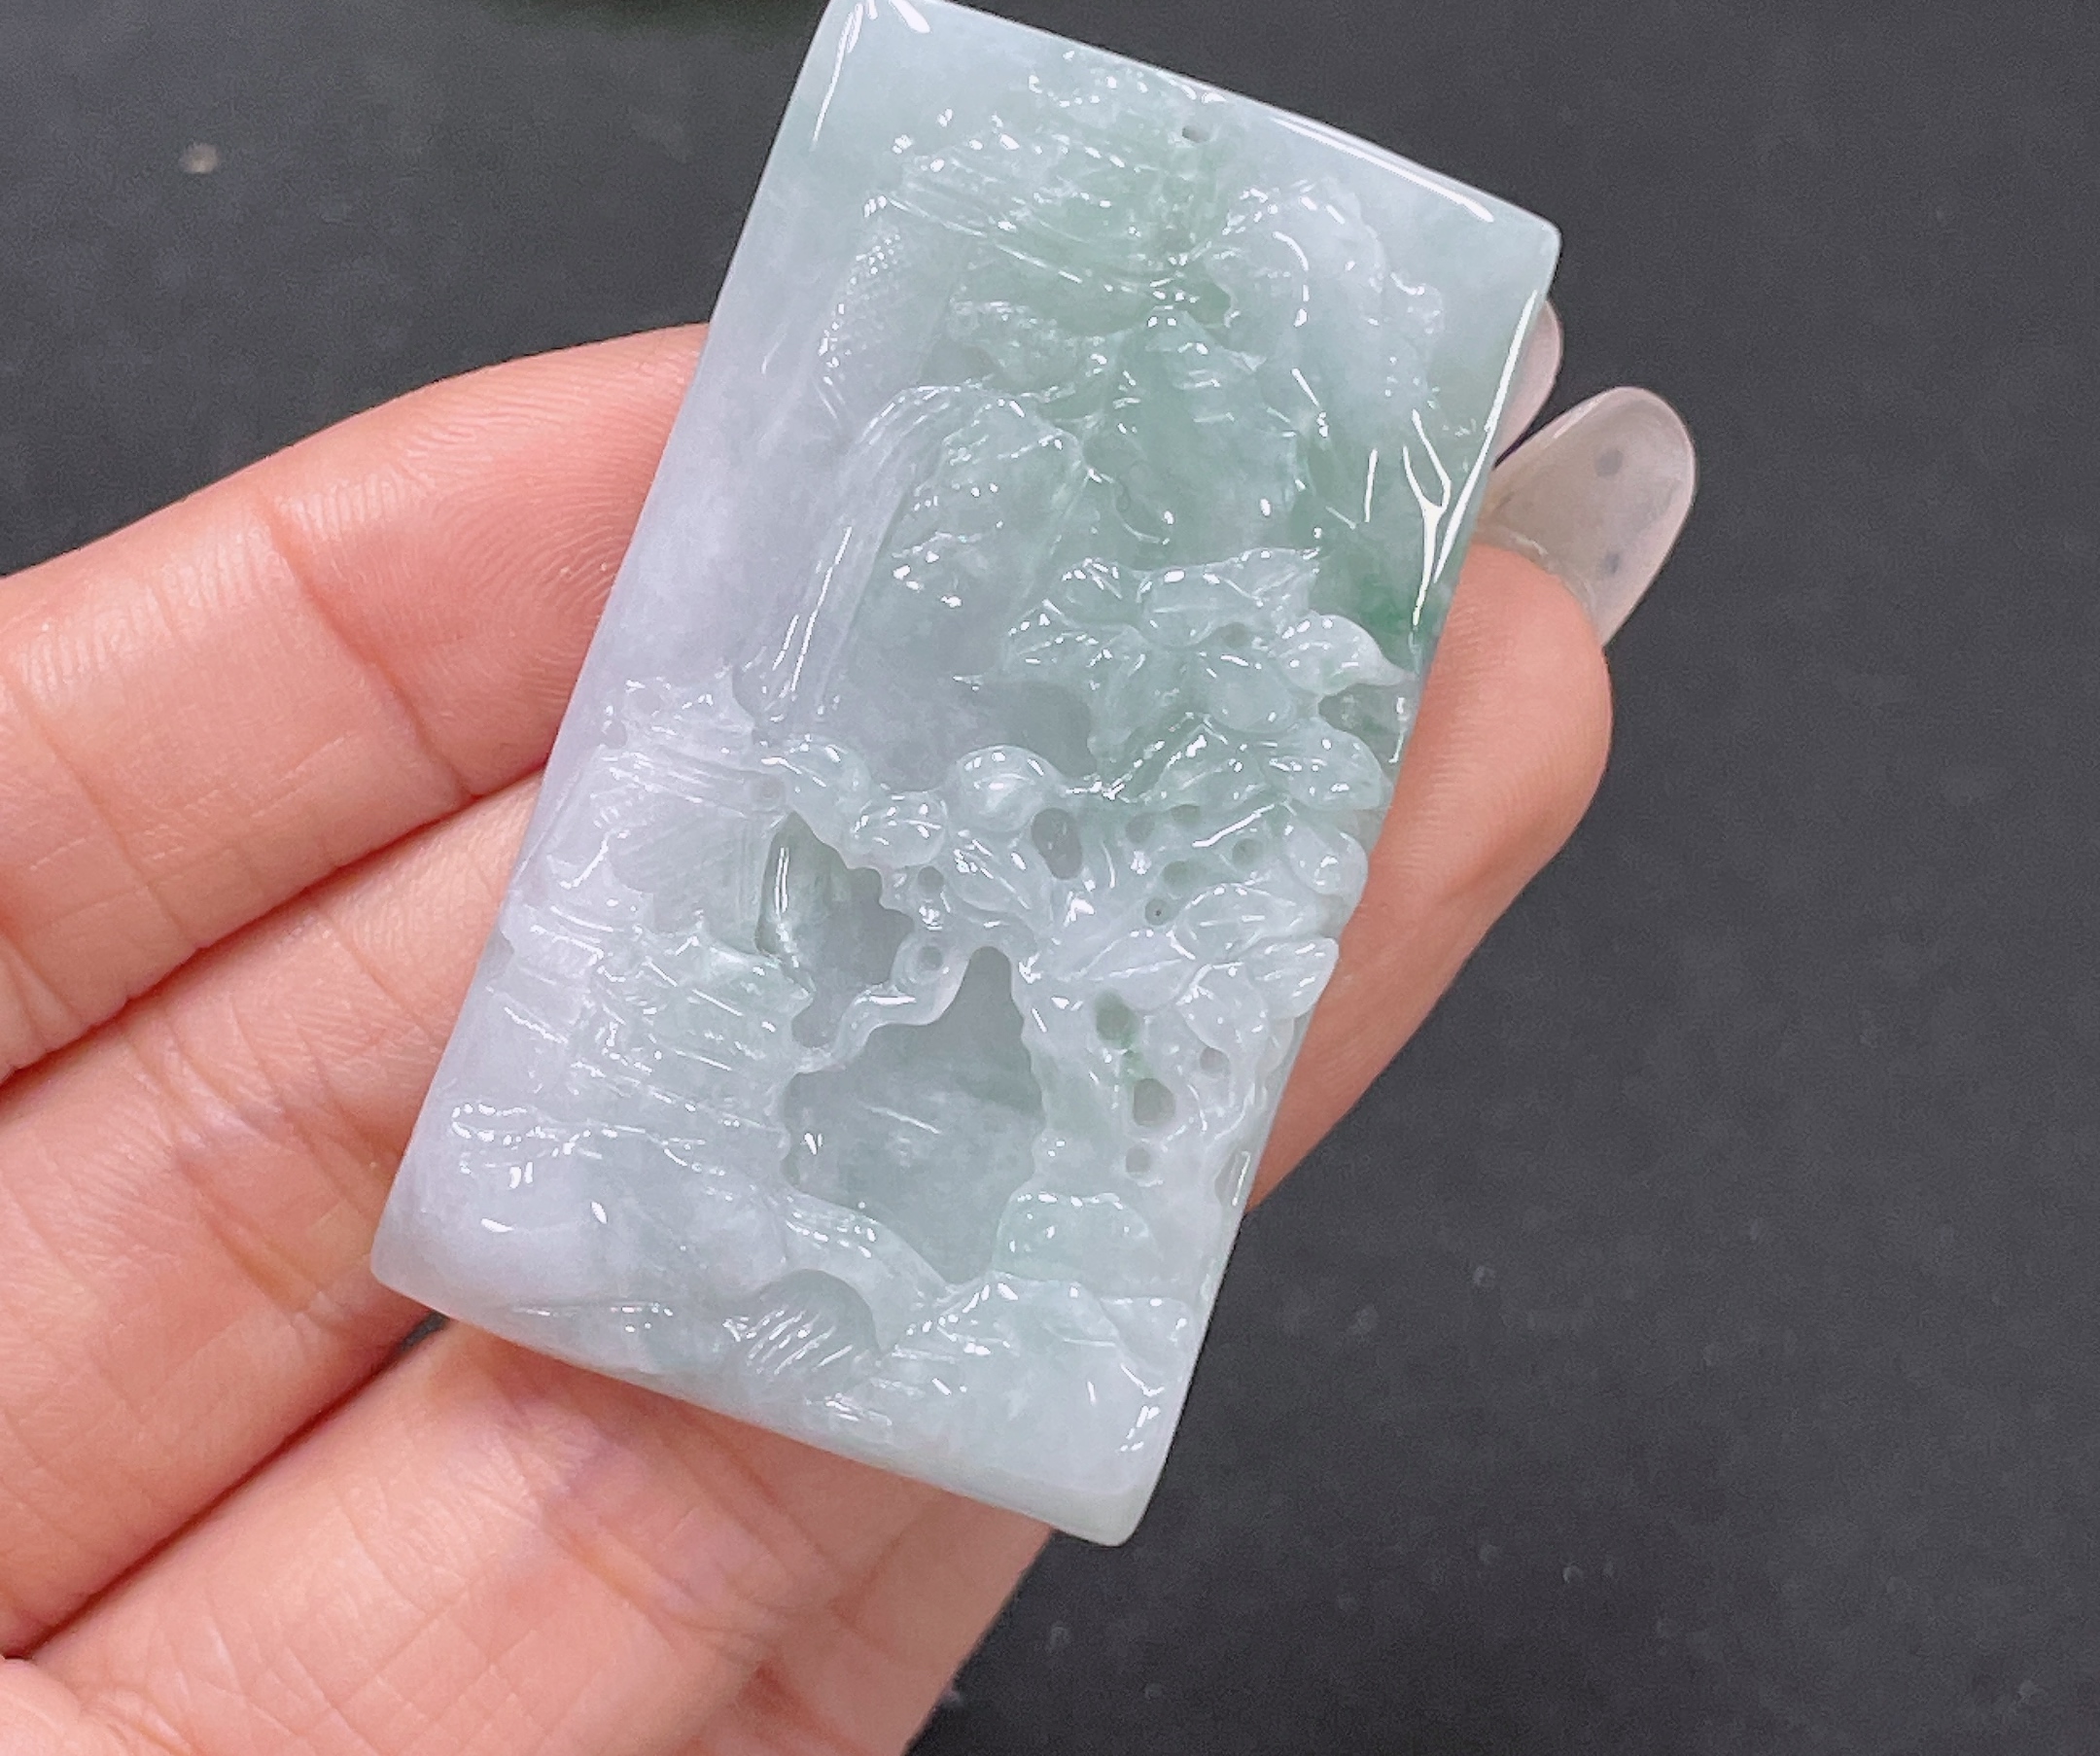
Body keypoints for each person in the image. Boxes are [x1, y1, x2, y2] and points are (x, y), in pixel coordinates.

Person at [0, 317, 1689, 1753]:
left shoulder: (1059, 721)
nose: (978, 575)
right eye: (956, 544)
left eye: (1004, 546)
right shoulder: (759, 733)